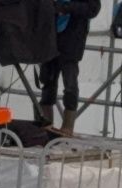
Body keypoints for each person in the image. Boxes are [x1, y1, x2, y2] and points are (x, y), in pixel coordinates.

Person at [39, 0, 100, 135]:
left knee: (70, 84)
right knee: (47, 81)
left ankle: (67, 127)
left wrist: (67, 7)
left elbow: (93, 9)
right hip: (50, 39)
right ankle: (45, 123)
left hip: (72, 42)